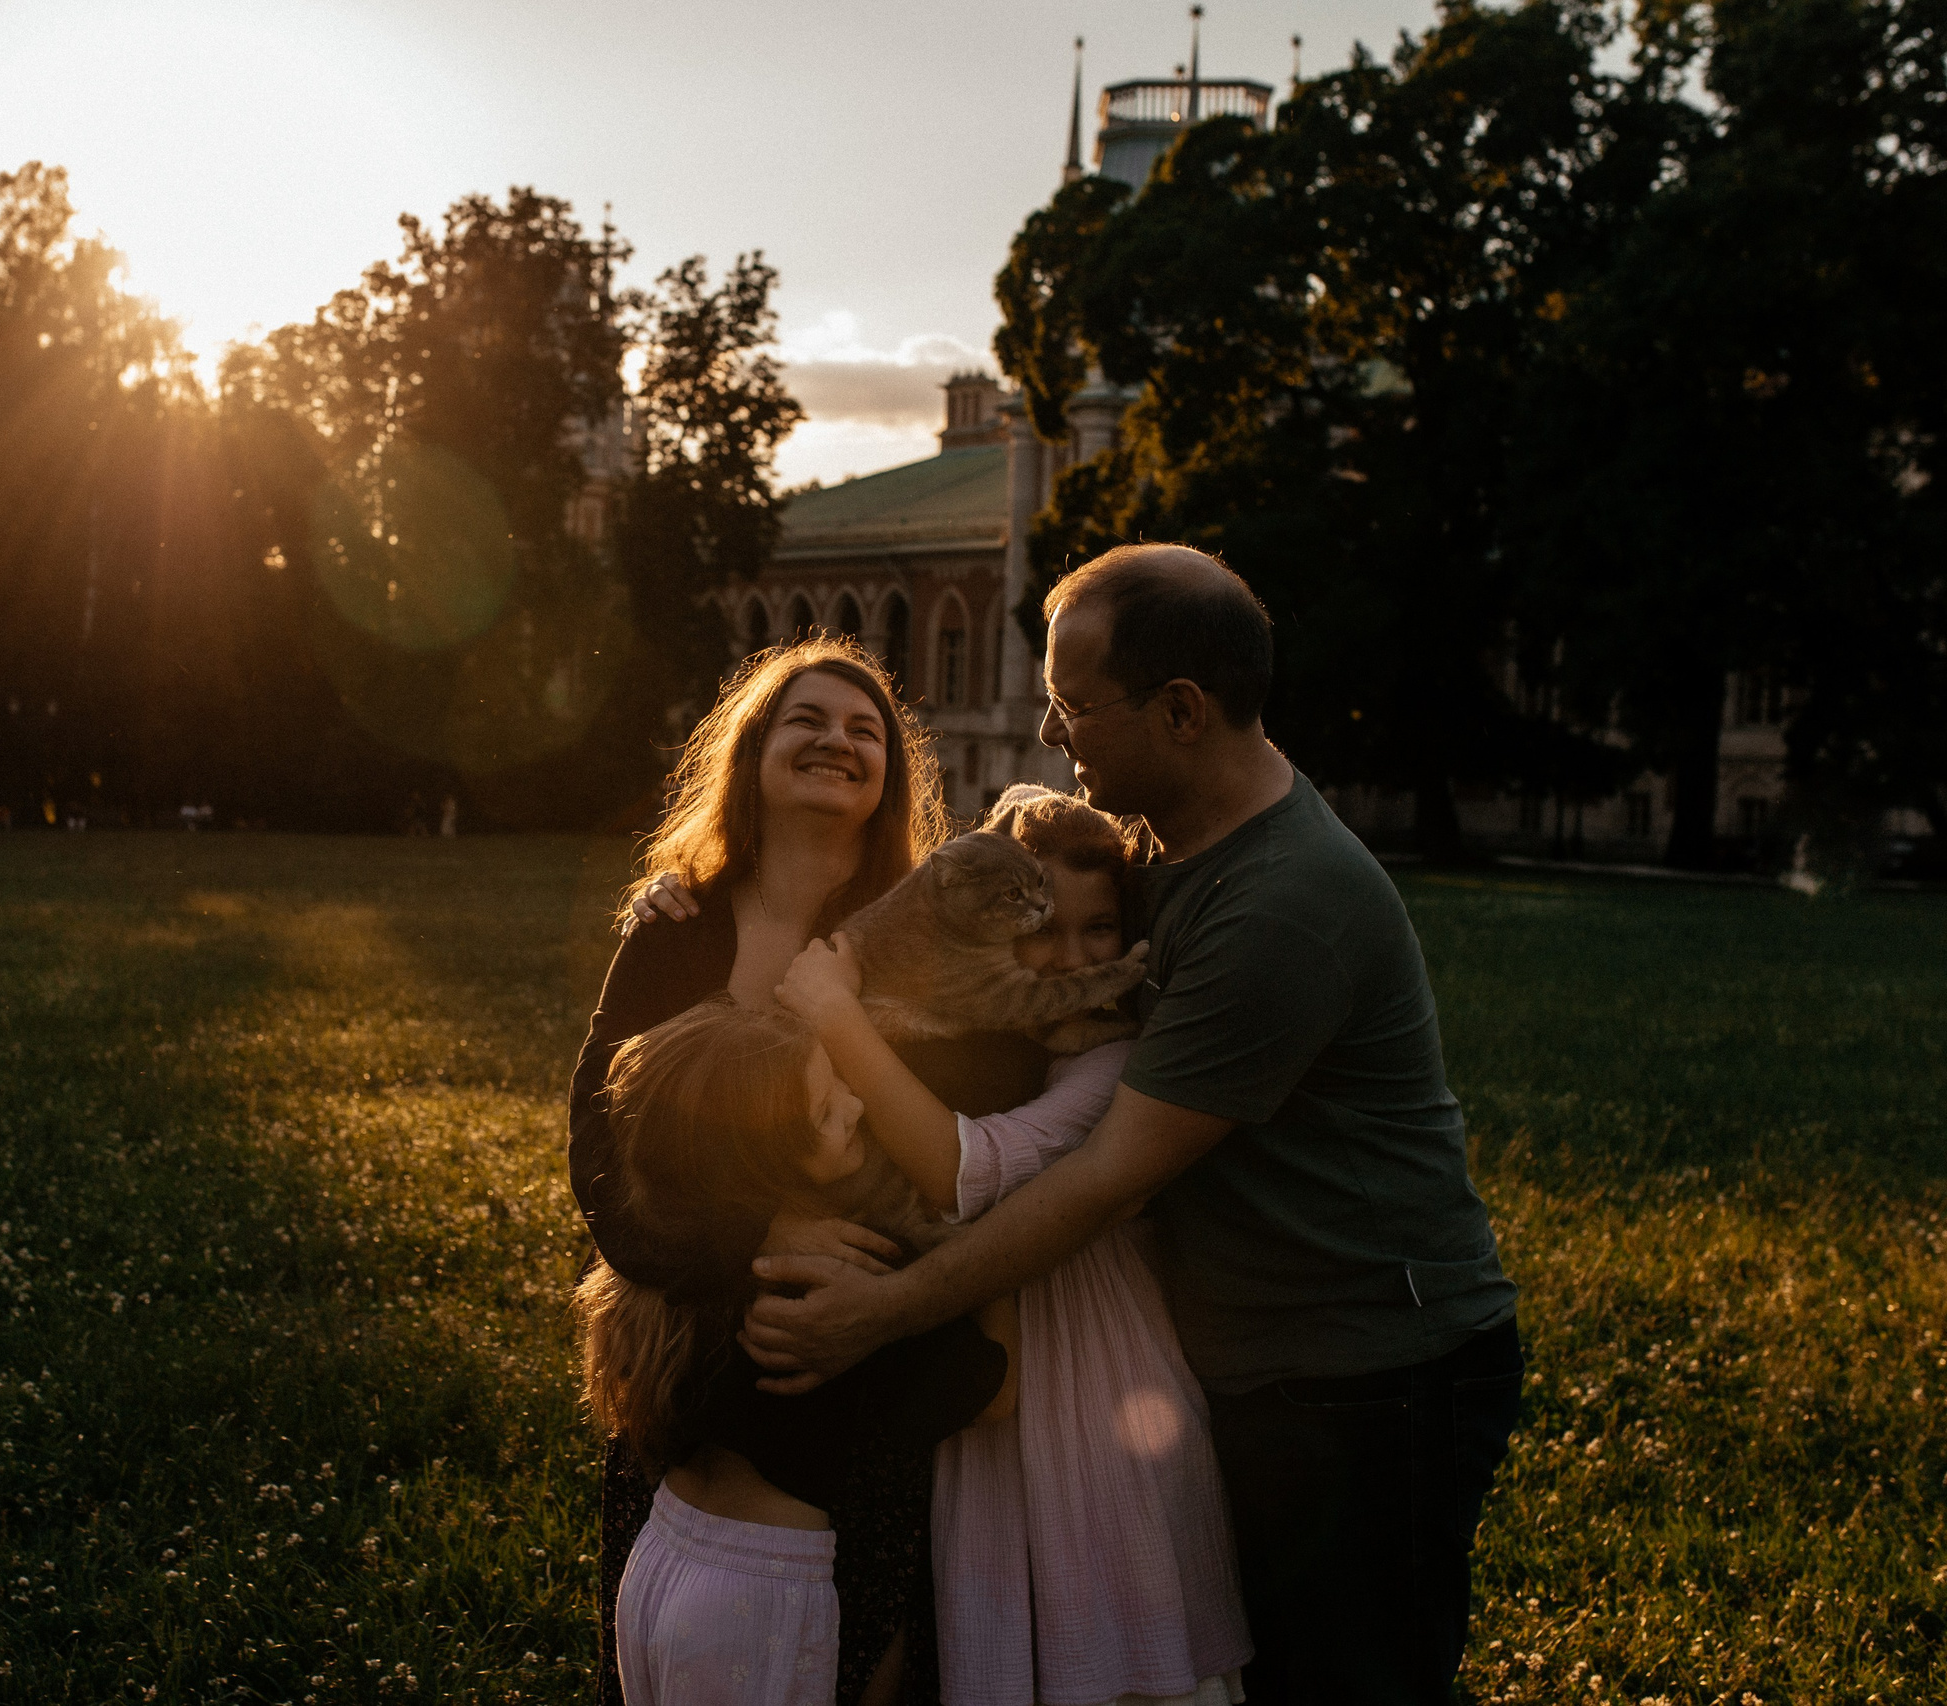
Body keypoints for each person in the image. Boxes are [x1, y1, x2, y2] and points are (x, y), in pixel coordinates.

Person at [743, 545, 1524, 1705]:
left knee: (1353, 1677)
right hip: (1261, 1357)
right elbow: (969, 894)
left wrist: (883, 1313)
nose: (1055, 736)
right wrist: (712, 895)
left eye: (1072, 707)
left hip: (1369, 1370)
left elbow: (1103, 1175)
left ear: (1181, 710)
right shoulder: (1159, 841)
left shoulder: (1281, 903)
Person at [572, 635, 1048, 1706]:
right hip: (681, 1360)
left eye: (865, 728)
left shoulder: (929, 935)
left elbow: (988, 1116)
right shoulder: (675, 929)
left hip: (861, 1370)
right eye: (807, 719)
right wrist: (750, 1244)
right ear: (751, 752)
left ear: (892, 776)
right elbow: (598, 1149)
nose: (837, 739)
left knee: (848, 1655)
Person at [774, 784, 1250, 1706]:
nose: (1068, 955)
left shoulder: (1115, 1059)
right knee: (989, 1611)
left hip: (1096, 1359)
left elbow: (974, 1174)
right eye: (1044, 929)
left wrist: (839, 1015)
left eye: (1102, 929)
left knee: (1114, 1606)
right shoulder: (993, 1027)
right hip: (979, 1354)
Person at [578, 1000, 1010, 1706]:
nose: (856, 1102)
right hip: (758, 1602)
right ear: (764, 1160)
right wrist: (994, 1240)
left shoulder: (679, 1279)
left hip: (657, 1567)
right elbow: (996, 1389)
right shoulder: (831, 1286)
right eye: (825, 1110)